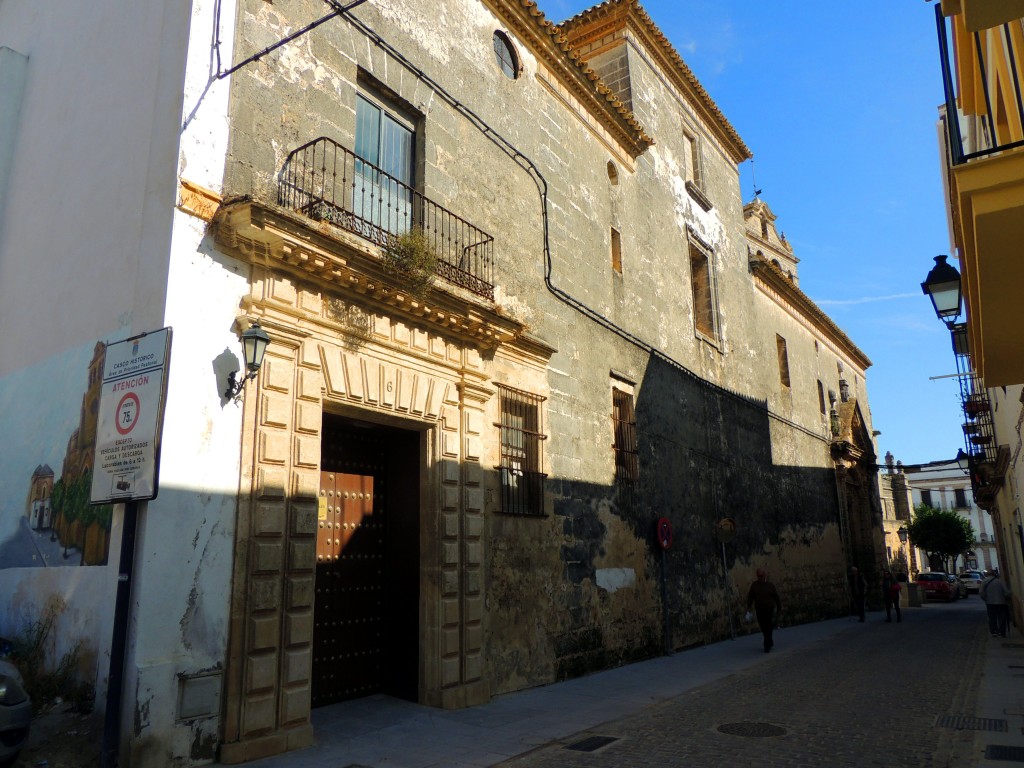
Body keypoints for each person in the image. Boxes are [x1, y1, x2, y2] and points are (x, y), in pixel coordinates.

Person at [746, 568, 782, 653]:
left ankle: (767, 644)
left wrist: (779, 607)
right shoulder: (754, 585)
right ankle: (769, 640)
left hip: (769, 608)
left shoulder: (770, 585)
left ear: (764, 575)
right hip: (759, 609)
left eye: (761, 576)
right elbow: (750, 597)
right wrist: (749, 606)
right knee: (763, 626)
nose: (760, 577)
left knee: (768, 626)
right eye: (758, 576)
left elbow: (776, 597)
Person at [980, 570, 1011, 637]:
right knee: (1001, 617)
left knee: (991, 617)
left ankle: (994, 631)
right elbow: (1007, 592)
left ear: (987, 575)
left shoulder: (984, 582)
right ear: (995, 574)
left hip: (990, 602)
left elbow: (981, 593)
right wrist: (1006, 598)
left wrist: (985, 599)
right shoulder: (1000, 581)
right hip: (1001, 602)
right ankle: (1002, 632)